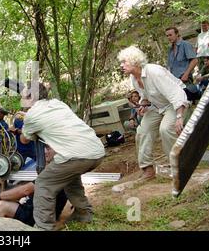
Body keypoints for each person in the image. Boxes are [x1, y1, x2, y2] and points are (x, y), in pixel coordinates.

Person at [18, 82, 105, 230]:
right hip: (97, 151)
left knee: (43, 184)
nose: (21, 98)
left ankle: (44, 227)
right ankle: (83, 213)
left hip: (76, 156)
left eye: (23, 96)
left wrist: (24, 121)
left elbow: (25, 139)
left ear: (30, 97)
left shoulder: (31, 116)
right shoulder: (58, 103)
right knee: (69, 177)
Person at [118, 46, 189, 180]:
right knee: (142, 131)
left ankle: (179, 166)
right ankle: (148, 169)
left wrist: (179, 116)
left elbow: (176, 93)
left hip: (174, 104)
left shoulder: (154, 71)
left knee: (166, 129)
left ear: (135, 61)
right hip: (157, 107)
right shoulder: (134, 78)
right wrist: (143, 104)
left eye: (124, 62)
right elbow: (146, 95)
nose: (121, 66)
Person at [0, 146, 67, 226]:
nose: (45, 151)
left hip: (40, 216)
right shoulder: (54, 170)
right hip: (34, 209)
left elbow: (25, 190)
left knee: (0, 206)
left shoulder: (56, 172)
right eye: (45, 148)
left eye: (48, 148)